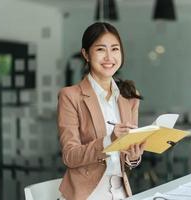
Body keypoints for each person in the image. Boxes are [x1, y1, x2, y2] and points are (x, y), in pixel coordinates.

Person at [57, 22, 145, 200]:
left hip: (121, 193)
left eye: (114, 49)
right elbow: (70, 156)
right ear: (86, 54)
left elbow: (127, 160)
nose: (109, 57)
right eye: (100, 50)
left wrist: (133, 157)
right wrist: (109, 140)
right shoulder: (70, 96)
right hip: (87, 195)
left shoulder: (130, 96)